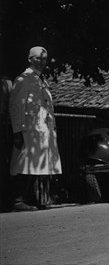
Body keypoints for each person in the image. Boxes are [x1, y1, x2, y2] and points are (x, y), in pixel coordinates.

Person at [9, 46, 62, 211]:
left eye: (44, 59)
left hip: (42, 130)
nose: (41, 62)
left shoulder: (41, 80)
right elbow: (16, 106)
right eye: (38, 58)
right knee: (25, 164)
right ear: (30, 59)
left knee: (38, 165)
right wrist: (17, 131)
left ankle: (33, 199)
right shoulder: (23, 80)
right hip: (30, 130)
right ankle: (17, 200)